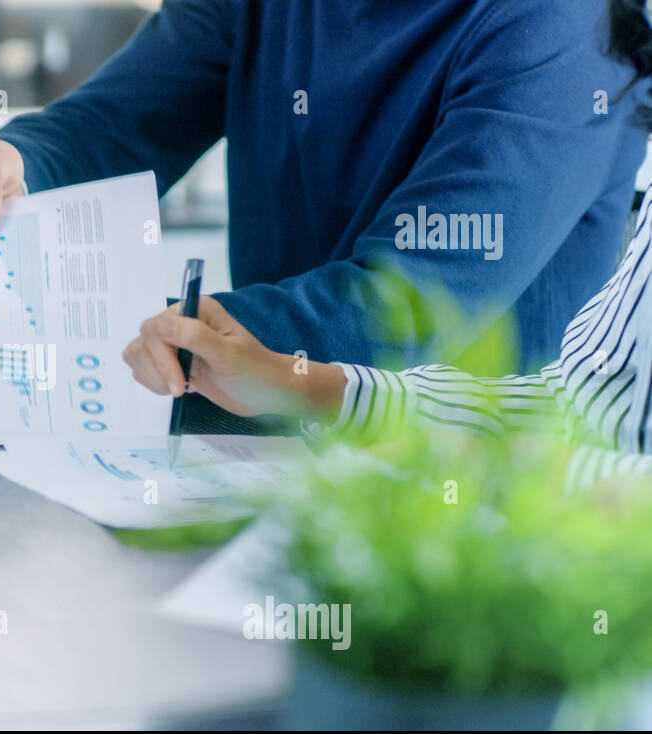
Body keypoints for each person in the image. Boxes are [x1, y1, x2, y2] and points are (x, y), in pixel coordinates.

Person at [0, 0, 645, 374]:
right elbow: (118, 125)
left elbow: (401, 309)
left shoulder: (562, 23)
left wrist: (23, 343)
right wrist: (16, 160)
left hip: (479, 511)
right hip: (272, 450)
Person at [124, 0, 652, 488]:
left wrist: (97, 337)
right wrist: (293, 380)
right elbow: (583, 405)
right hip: (335, 466)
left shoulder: (561, 22)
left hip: (472, 528)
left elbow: (400, 313)